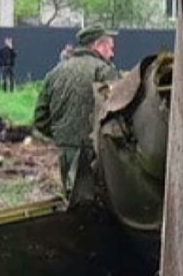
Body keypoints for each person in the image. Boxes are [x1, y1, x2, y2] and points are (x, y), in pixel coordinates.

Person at [34, 25, 121, 194]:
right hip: (94, 153)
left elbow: (40, 118)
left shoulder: (56, 72)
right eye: (110, 48)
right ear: (98, 45)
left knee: (71, 198)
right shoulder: (104, 71)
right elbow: (118, 112)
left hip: (65, 150)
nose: (112, 53)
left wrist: (63, 136)